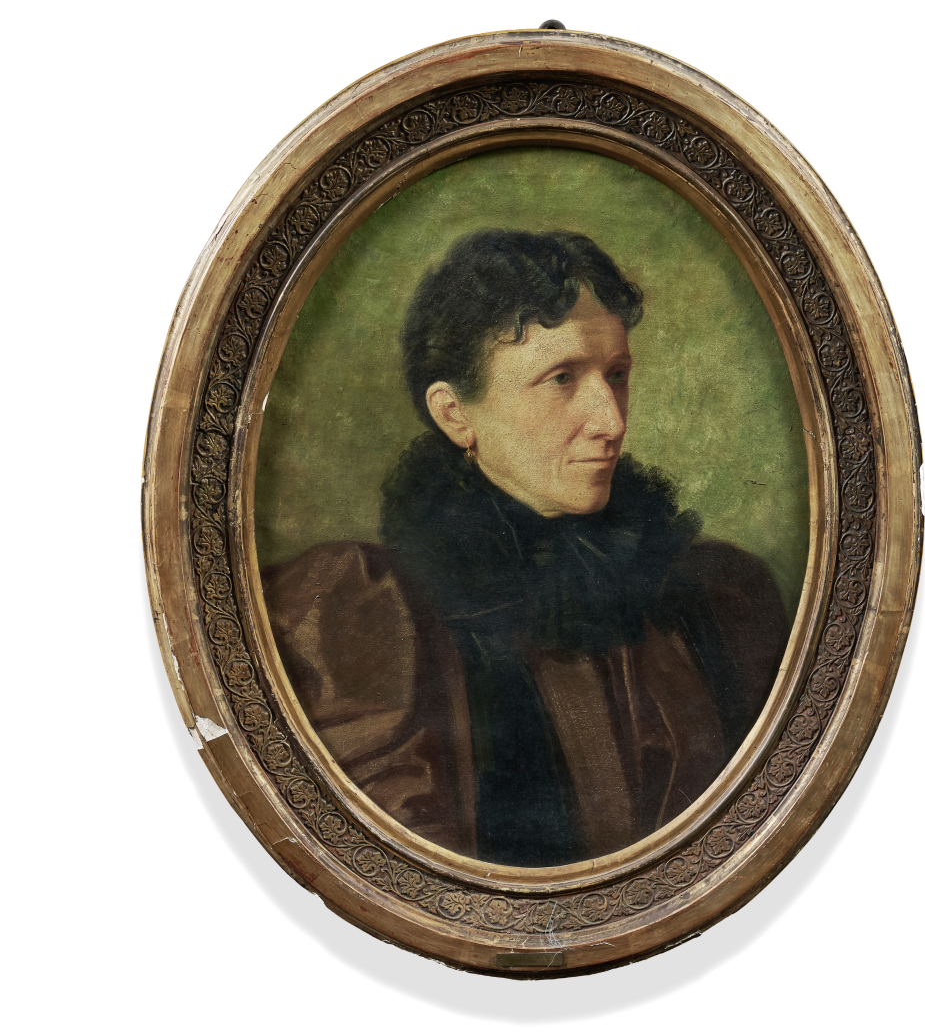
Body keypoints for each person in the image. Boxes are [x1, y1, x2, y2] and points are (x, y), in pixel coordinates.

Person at [261, 230, 788, 867]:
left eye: (617, 375)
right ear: (455, 414)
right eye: (561, 378)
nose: (611, 421)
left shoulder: (713, 596)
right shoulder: (366, 608)